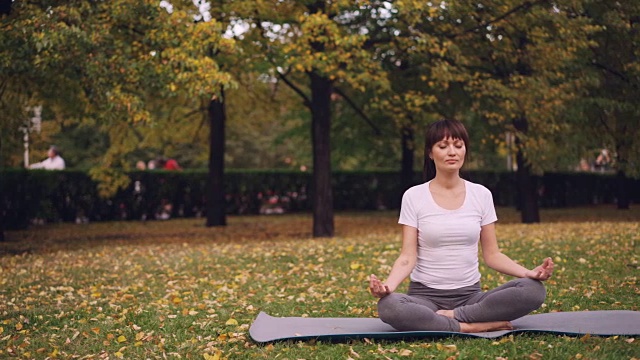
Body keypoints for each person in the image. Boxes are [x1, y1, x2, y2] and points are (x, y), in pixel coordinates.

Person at [369, 119, 554, 333]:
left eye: (458, 146)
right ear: (430, 153)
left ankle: (454, 318)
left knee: (533, 291)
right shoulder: (414, 196)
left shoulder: (481, 194)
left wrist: (529, 273)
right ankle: (467, 327)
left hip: (471, 297)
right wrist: (388, 287)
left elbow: (493, 255)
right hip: (424, 298)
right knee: (389, 307)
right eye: (443, 146)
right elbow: (407, 257)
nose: (452, 152)